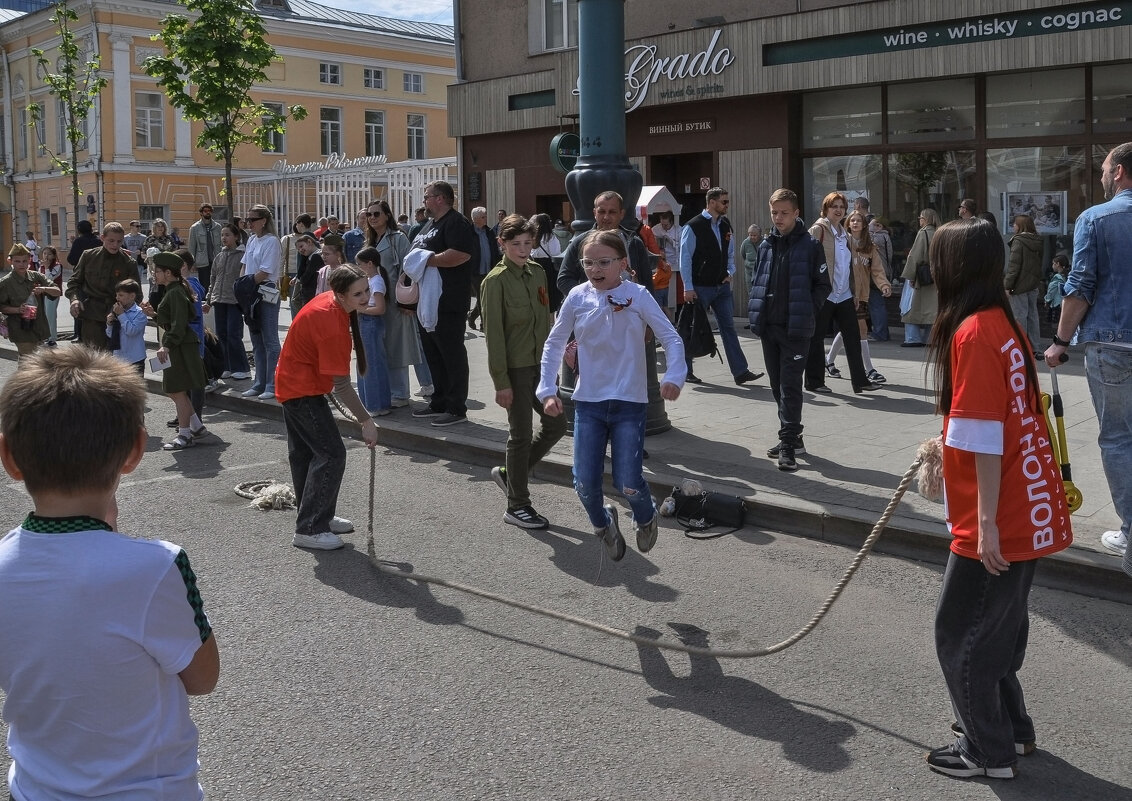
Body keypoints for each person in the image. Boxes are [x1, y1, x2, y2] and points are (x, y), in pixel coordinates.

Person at [0, 347, 220, 801]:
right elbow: (202, 679)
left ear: (9, 457)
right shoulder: (156, 566)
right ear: (136, 449)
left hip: (36, 789)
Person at [924, 217, 1072, 780]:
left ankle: (988, 751)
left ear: (953, 268)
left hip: (998, 510)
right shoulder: (1002, 323)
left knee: (960, 635)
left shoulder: (971, 332)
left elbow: (984, 432)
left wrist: (983, 524)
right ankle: (1013, 731)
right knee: (999, 631)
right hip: (1025, 498)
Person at [538, 229, 685, 559]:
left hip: (629, 403)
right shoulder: (577, 296)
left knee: (629, 482)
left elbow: (672, 339)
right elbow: (554, 343)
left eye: (604, 262)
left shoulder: (639, 295)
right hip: (588, 402)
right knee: (584, 483)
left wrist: (674, 376)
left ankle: (645, 518)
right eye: (588, 262)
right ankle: (604, 525)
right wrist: (548, 390)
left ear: (622, 263)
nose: (595, 269)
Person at [1045, 141, 1132, 572]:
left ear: (1118, 172)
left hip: (1112, 346)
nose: (1100, 176)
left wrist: (1060, 341)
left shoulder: (1096, 219)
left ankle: (1131, 531)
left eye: (1103, 169)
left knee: (1118, 439)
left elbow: (1079, 285)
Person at [276, 264, 380, 550]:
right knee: (331, 454)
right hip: (301, 390)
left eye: (366, 290)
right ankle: (309, 528)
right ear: (341, 294)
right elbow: (343, 385)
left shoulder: (331, 302)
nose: (365, 297)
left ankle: (318, 517)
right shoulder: (332, 322)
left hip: (294, 384)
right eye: (358, 293)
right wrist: (366, 420)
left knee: (307, 455)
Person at [481, 214, 567, 529]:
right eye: (515, 244)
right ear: (501, 244)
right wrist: (501, 383)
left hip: (539, 368)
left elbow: (545, 322)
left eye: (527, 243)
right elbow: (495, 337)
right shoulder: (495, 281)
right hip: (514, 369)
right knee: (520, 435)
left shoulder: (537, 273)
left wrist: (549, 372)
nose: (522, 249)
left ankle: (509, 474)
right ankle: (517, 505)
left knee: (557, 425)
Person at [747, 189, 831, 472]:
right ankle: (793, 435)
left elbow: (823, 285)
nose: (778, 218)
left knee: (790, 386)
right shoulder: (766, 245)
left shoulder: (810, 245)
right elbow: (759, 278)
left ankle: (787, 444)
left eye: (784, 213)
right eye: (774, 213)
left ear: (796, 213)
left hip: (796, 329)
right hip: (770, 327)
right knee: (776, 385)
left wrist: (808, 309)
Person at [409, 180, 478, 427]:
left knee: (452, 354)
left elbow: (461, 254)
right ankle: (438, 401)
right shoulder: (430, 224)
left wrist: (425, 261)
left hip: (448, 301)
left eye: (427, 196)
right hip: (427, 302)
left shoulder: (457, 223)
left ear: (440, 198)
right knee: (433, 355)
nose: (424, 201)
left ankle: (456, 407)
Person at [678, 187, 762, 386]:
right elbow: (685, 258)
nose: (727, 205)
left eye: (727, 201)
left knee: (729, 328)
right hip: (700, 287)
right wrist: (687, 287)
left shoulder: (725, 224)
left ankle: (740, 371)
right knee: (692, 328)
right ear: (712, 202)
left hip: (722, 287)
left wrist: (730, 272)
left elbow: (730, 251)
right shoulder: (693, 226)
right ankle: (686, 370)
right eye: (724, 202)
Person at [805, 192, 879, 394]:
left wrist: (854, 291)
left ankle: (860, 381)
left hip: (844, 293)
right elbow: (807, 261)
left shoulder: (844, 235)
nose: (838, 210)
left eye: (841, 206)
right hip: (825, 294)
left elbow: (849, 266)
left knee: (853, 336)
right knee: (817, 337)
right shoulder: (818, 230)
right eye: (834, 206)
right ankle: (814, 381)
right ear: (826, 209)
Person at [144, 252, 208, 450]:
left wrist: (167, 345)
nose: (154, 274)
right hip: (179, 346)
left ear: (169, 273)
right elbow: (172, 321)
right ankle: (196, 426)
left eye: (158, 271)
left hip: (180, 347)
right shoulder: (173, 290)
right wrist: (154, 315)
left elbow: (179, 325)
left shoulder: (176, 292)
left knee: (177, 390)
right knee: (175, 390)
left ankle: (185, 435)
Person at [823, 210, 891, 384]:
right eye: (852, 220)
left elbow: (876, 270)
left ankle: (828, 361)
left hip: (862, 295)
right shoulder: (843, 242)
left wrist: (884, 284)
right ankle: (869, 369)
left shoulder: (869, 247)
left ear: (863, 224)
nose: (855, 223)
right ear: (848, 223)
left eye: (858, 220)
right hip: (845, 293)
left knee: (849, 328)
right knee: (861, 329)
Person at [365, 199, 420, 408]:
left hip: (395, 300)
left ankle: (400, 392)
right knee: (380, 346)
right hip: (373, 298)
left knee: (397, 345)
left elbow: (409, 270)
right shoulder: (369, 240)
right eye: (369, 214)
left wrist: (408, 304)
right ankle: (388, 390)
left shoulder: (398, 238)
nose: (372, 218)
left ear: (387, 215)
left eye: (376, 214)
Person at [557, 191, 654, 299]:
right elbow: (564, 280)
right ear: (594, 213)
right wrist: (587, 300)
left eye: (612, 212)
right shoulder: (580, 242)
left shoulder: (634, 243)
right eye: (602, 212)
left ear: (621, 214)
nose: (606, 217)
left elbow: (647, 283)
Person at [65, 222, 140, 351]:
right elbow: (74, 282)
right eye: (111, 241)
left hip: (116, 317)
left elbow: (136, 294)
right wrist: (75, 299)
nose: (115, 245)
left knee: (115, 361)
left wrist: (123, 311)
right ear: (102, 238)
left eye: (119, 241)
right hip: (92, 316)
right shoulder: (88, 256)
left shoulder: (128, 263)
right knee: (92, 360)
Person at [241, 204, 282, 400]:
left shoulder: (272, 241)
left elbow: (265, 271)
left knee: (270, 340)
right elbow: (244, 266)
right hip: (251, 292)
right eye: (247, 220)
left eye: (252, 220)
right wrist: (241, 287)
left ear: (264, 221)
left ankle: (272, 383)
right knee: (256, 339)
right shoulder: (251, 240)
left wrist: (246, 285)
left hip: (265, 291)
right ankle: (259, 382)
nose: (249, 223)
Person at [205, 222, 251, 381]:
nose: (224, 238)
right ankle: (227, 366)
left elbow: (244, 279)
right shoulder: (220, 255)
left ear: (236, 236)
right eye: (222, 235)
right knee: (221, 335)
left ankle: (242, 368)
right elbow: (213, 279)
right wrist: (209, 299)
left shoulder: (242, 255)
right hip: (219, 299)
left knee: (233, 334)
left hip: (234, 301)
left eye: (228, 235)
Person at [0, 244, 61, 361]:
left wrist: (44, 289)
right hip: (20, 328)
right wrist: (17, 310)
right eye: (17, 261)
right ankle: (23, 379)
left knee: (33, 363)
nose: (21, 264)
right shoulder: (5, 283)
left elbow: (57, 291)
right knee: (27, 362)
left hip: (38, 327)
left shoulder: (36, 276)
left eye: (24, 261)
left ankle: (24, 379)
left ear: (29, 260)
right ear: (10, 261)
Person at [354, 246, 392, 416]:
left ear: (369, 264)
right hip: (367, 322)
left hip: (370, 322)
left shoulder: (375, 281)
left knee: (370, 364)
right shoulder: (373, 279)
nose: (358, 267)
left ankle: (374, 405)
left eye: (359, 264)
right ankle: (377, 403)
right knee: (372, 363)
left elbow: (380, 308)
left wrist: (360, 310)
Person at [900, 208, 940, 347]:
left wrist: (910, 275)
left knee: (910, 308)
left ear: (926, 218)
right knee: (932, 309)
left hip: (921, 276)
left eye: (921, 217)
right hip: (935, 275)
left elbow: (915, 256)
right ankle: (930, 338)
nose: (919, 219)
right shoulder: (940, 232)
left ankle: (912, 338)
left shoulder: (923, 233)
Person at [1005, 214, 1043, 357]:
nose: (1013, 226)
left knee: (1020, 316)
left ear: (1020, 226)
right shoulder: (1038, 240)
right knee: (1033, 316)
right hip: (1033, 284)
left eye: (1015, 224)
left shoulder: (1018, 241)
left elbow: (1013, 266)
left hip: (1019, 285)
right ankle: (1035, 347)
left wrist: (1007, 285)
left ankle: (1021, 346)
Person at [466, 206, 502, 330]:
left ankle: (472, 316)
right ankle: (484, 324)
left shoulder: (489, 232)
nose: (485, 218)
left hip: (489, 269)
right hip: (475, 271)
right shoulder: (468, 232)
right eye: (483, 217)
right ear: (475, 219)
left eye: (485, 216)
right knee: (482, 297)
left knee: (485, 297)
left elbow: (494, 250)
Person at [106, 278, 148, 373]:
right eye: (116, 295)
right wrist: (109, 324)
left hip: (135, 358)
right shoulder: (117, 310)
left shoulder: (140, 313)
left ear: (132, 296)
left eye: (121, 295)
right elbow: (110, 335)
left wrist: (121, 315)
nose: (117, 298)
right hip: (118, 357)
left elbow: (131, 331)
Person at [529, 212, 563, 312]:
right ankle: (550, 319)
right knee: (550, 293)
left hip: (535, 266)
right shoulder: (551, 238)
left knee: (537, 291)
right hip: (548, 267)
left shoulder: (535, 238)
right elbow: (555, 253)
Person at [187, 202, 223, 291]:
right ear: (201, 213)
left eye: (210, 211)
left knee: (216, 283)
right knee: (204, 284)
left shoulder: (218, 227)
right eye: (205, 211)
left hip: (216, 259)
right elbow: (192, 246)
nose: (208, 213)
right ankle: (205, 302)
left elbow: (222, 244)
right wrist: (191, 263)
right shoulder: (195, 228)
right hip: (202, 261)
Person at [651, 210, 681, 314]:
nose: (663, 227)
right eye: (662, 224)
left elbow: (681, 247)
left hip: (672, 260)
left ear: (671, 222)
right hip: (660, 259)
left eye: (666, 225)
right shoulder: (657, 228)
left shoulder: (679, 230)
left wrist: (670, 241)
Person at [36, 245, 62, 346]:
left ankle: (52, 338)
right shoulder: (41, 266)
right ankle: (45, 336)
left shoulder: (57, 266)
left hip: (53, 294)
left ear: (54, 256)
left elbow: (49, 279)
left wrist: (47, 267)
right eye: (44, 253)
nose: (46, 256)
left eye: (49, 254)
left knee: (50, 316)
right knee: (44, 315)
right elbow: (39, 278)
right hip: (43, 294)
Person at [1043, 253, 1067, 323]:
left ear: (1058, 264)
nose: (1052, 266)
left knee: (1053, 324)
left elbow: (1051, 291)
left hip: (1056, 304)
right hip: (1064, 303)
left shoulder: (1057, 278)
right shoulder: (1067, 276)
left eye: (1053, 264)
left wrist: (1047, 300)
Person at [739, 224, 762, 291]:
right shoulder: (745, 243)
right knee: (751, 293)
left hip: (761, 273)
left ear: (759, 235)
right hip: (749, 273)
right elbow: (743, 254)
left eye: (755, 235)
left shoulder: (764, 242)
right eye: (750, 235)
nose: (752, 237)